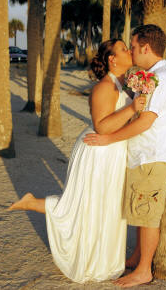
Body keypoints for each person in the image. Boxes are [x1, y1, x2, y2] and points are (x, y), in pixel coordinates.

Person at [8, 39, 146, 283]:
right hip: (98, 152)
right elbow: (101, 127)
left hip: (110, 152)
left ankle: (104, 260)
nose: (128, 51)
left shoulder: (122, 83)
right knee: (88, 207)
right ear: (112, 60)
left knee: (106, 208)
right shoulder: (105, 87)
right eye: (124, 49)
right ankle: (35, 203)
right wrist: (132, 108)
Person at [84, 24, 166, 288]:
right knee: (141, 210)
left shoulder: (162, 79)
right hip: (143, 157)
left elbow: (145, 122)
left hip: (153, 156)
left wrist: (108, 139)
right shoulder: (150, 76)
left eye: (134, 47)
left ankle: (143, 270)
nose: (133, 51)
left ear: (146, 48)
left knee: (148, 215)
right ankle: (138, 256)